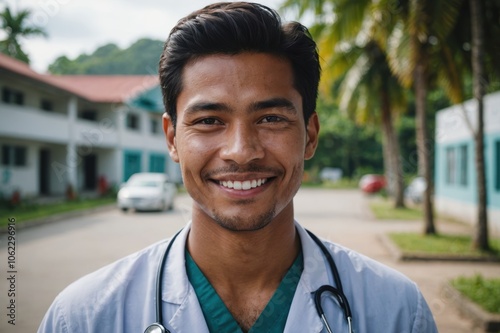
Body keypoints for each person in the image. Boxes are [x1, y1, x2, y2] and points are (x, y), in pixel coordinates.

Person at [38, 2, 438, 332]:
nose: (241, 151)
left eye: (270, 119)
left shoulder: (397, 312)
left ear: (310, 135)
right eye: (209, 120)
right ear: (173, 138)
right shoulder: (83, 318)